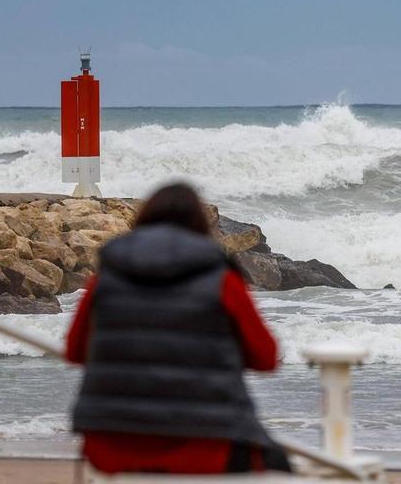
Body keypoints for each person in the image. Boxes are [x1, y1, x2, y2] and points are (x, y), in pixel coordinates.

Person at [66, 183, 290, 474]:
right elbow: (266, 358)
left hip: (112, 445)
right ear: (201, 224)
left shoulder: (105, 278)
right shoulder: (222, 280)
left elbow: (74, 352)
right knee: (278, 465)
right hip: (203, 446)